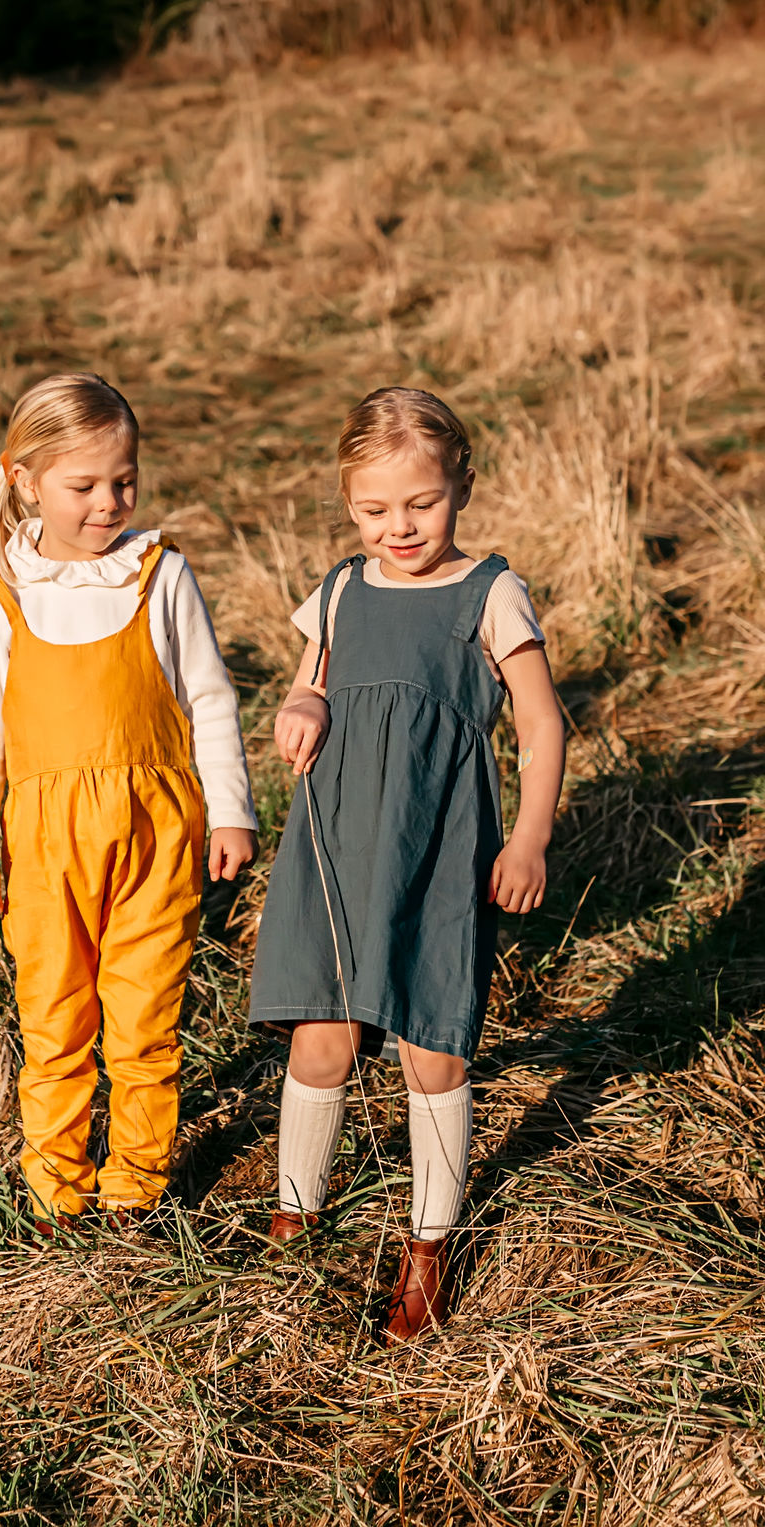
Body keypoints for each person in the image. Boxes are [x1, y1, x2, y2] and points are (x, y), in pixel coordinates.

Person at [249, 387, 564, 1341]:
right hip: (337, 846)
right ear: (349, 504)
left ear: (462, 484)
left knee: (433, 1045)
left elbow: (544, 723)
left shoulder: (489, 592)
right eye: (375, 509)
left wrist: (531, 837)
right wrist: (301, 706)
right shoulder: (342, 589)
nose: (400, 527)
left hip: (435, 850)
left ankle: (429, 1241)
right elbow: (309, 686)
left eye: (420, 504)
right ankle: (294, 1216)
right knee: (324, 1037)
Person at [0, 372, 258, 1233]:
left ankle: (135, 1186)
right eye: (82, 486)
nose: (107, 502)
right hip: (45, 849)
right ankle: (56, 1186)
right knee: (53, 1016)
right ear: (25, 480)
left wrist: (231, 808)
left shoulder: (160, 575)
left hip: (157, 837)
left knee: (146, 1017)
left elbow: (211, 698)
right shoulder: (3, 596)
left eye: (123, 480)